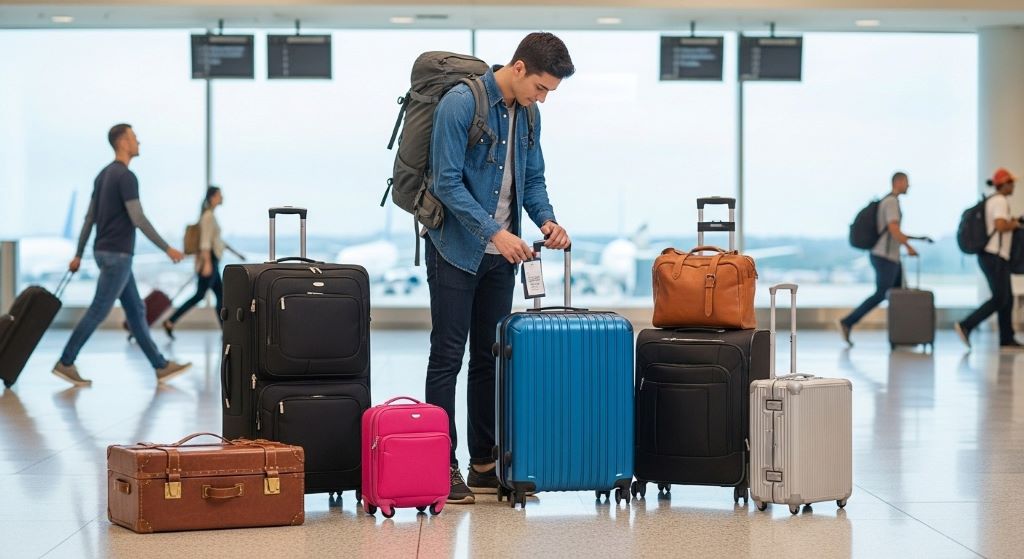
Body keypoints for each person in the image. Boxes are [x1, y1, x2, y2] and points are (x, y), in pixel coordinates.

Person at [425, 32, 574, 504]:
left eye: (549, 92)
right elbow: (446, 182)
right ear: (518, 67)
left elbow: (532, 179)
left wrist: (547, 219)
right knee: (448, 356)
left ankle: (484, 464)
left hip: (502, 256)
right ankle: (440, 465)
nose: (543, 98)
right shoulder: (460, 103)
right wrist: (493, 231)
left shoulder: (529, 117)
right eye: (541, 87)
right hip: (455, 248)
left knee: (489, 358)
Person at [52, 124, 192, 386]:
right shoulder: (126, 177)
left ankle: (160, 366)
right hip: (118, 255)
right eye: (134, 137)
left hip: (105, 252)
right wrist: (167, 248)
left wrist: (79, 253)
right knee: (99, 309)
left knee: (136, 309)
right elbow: (138, 218)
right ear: (123, 142)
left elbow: (89, 218)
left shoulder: (102, 175)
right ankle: (66, 361)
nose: (139, 141)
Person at [837, 172, 918, 346]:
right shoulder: (891, 202)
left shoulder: (888, 201)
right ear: (898, 182)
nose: (909, 186)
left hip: (890, 257)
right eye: (906, 182)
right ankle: (848, 321)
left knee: (900, 295)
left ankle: (904, 335)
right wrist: (909, 247)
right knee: (883, 293)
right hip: (885, 256)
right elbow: (893, 229)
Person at [955, 168, 1022, 350]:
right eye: (1011, 183)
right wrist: (1015, 223)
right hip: (994, 256)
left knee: (1006, 299)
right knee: (1000, 298)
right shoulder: (1000, 201)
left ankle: (1007, 338)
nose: (1013, 186)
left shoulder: (992, 200)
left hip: (993, 256)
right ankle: (966, 325)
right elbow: (1000, 226)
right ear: (1004, 184)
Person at [162, 186, 243, 338]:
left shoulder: (210, 216)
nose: (222, 197)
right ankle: (171, 321)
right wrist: (206, 264)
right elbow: (205, 243)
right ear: (212, 197)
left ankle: (225, 331)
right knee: (201, 296)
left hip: (213, 261)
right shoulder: (208, 217)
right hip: (209, 261)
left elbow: (217, 241)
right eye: (220, 195)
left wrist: (236, 253)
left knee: (220, 296)